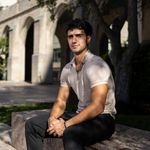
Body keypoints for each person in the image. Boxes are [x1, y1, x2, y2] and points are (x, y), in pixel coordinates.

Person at [25, 18, 116, 150]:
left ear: (88, 39)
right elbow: (61, 101)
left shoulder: (96, 65)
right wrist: (53, 120)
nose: (74, 40)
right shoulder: (68, 68)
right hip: (80, 115)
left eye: (79, 36)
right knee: (32, 124)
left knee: (71, 133)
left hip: (103, 119)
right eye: (70, 37)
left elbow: (98, 106)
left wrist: (65, 125)